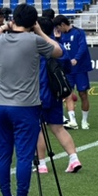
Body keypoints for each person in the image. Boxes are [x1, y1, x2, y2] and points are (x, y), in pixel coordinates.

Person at [0, 3, 63, 196]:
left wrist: (2, 28)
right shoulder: (34, 41)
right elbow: (58, 51)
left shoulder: (0, 40)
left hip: (2, 105)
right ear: (32, 22)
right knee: (25, 155)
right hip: (26, 106)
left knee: (3, 154)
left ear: (14, 19)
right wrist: (39, 31)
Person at [35, 17, 82, 174]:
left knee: (38, 129)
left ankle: (41, 164)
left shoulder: (35, 47)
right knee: (58, 128)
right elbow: (68, 67)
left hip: (37, 93)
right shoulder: (57, 46)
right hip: (55, 93)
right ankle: (74, 158)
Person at [54, 14, 92, 130]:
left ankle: (84, 121)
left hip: (80, 69)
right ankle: (72, 120)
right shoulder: (60, 36)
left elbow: (82, 47)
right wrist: (57, 39)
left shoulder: (78, 33)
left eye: (58, 27)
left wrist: (76, 59)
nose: (57, 30)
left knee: (83, 94)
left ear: (63, 25)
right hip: (67, 70)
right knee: (67, 94)